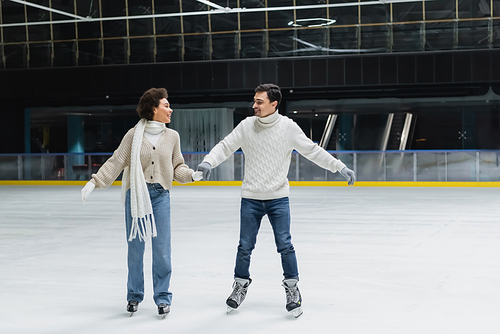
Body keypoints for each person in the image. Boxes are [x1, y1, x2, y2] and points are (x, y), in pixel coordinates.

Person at [197, 83, 355, 318]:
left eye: (259, 102)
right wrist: (209, 161)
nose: (254, 106)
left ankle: (292, 289)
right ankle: (240, 285)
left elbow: (313, 151)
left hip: (278, 198)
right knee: (244, 247)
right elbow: (226, 146)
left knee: (285, 245)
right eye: (254, 100)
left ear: (274, 104)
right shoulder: (247, 126)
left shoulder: (288, 128)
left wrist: (339, 166)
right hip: (250, 197)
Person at [80, 88, 199, 317]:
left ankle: (163, 298)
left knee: (162, 250)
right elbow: (116, 162)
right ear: (153, 108)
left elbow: (178, 168)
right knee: (136, 249)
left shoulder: (172, 136)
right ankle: (134, 296)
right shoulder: (133, 135)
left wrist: (192, 175)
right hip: (136, 195)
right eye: (166, 105)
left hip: (160, 196)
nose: (170, 109)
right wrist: (95, 182)